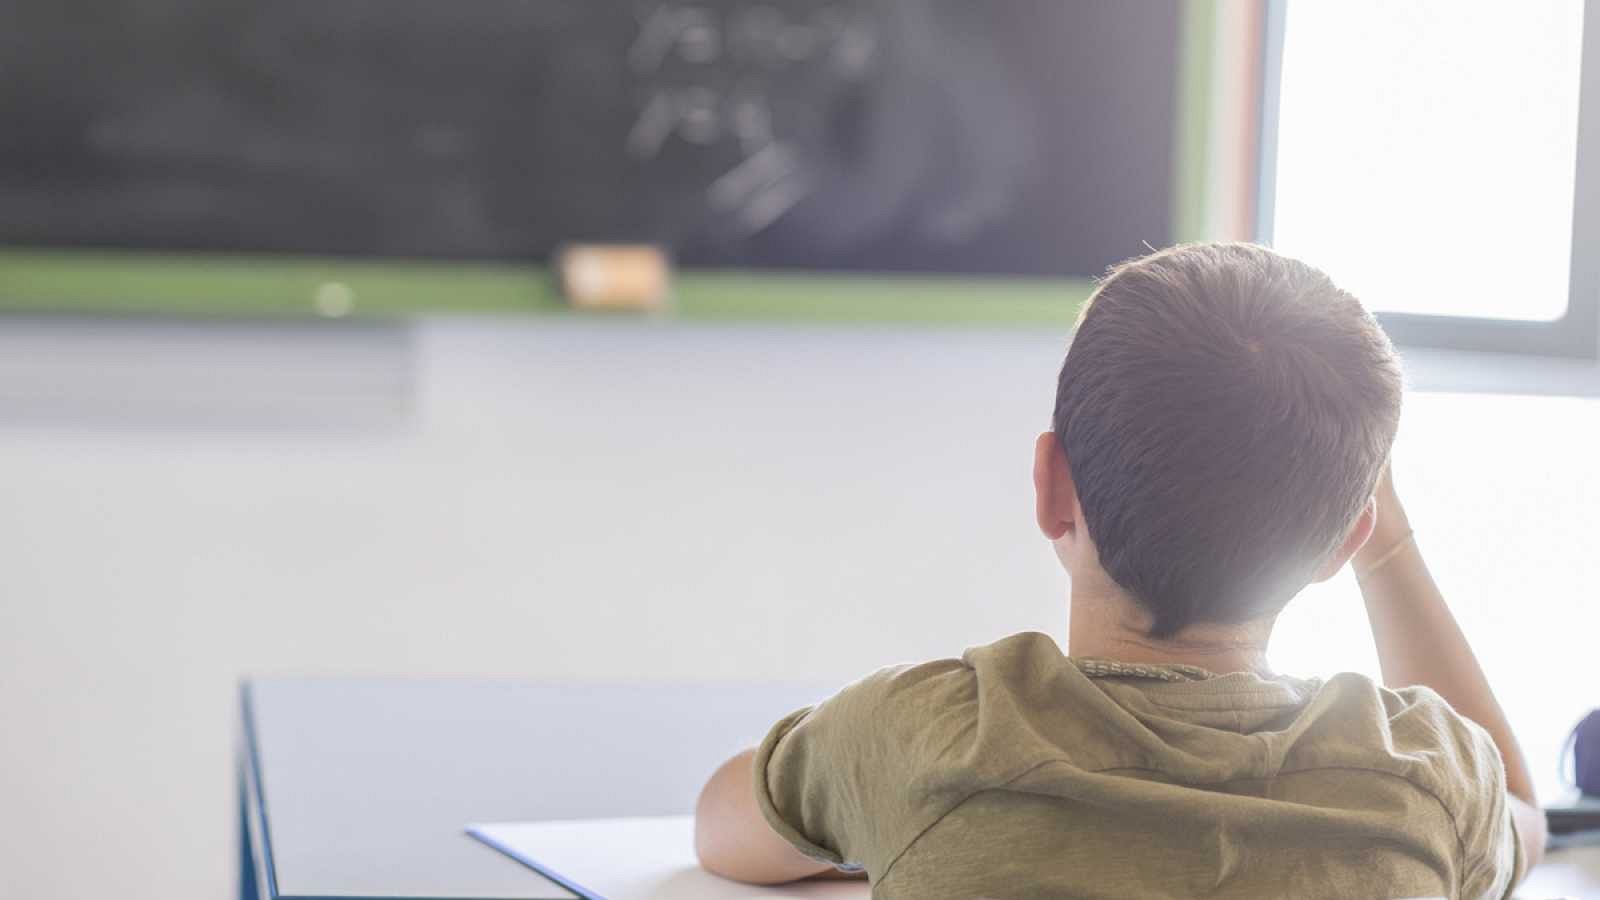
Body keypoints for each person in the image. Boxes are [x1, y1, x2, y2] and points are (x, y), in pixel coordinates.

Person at [693, 242, 1545, 899]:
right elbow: (1521, 817)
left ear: (1052, 487)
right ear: (1342, 541)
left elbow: (721, 824)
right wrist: (1389, 547)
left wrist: (882, 816)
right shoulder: (1425, 781)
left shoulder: (927, 739)